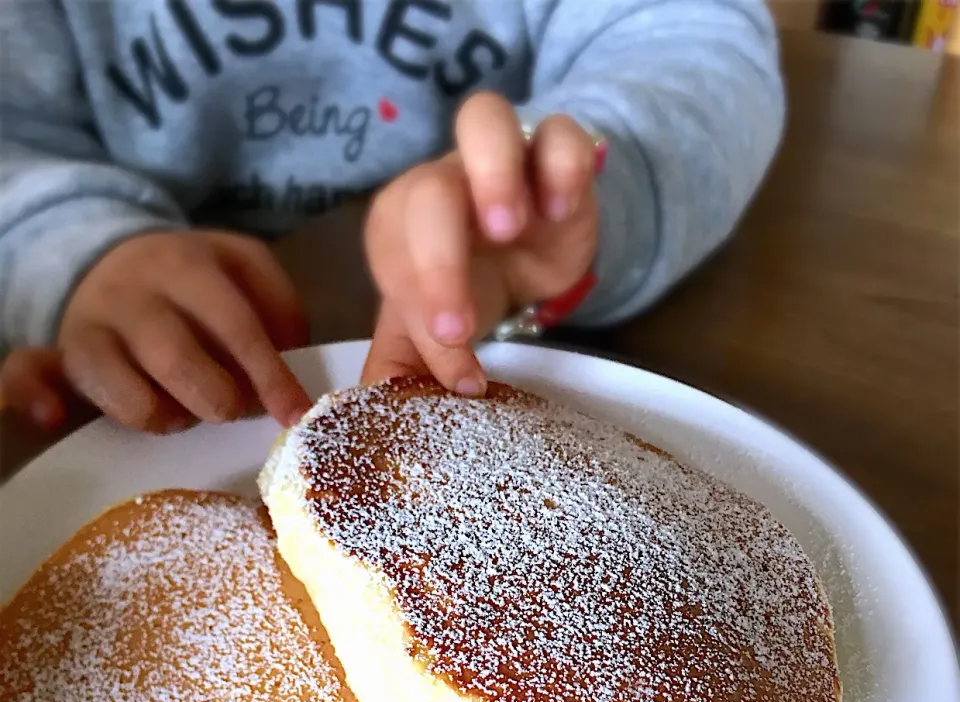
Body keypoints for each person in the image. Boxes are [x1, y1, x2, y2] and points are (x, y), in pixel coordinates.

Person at [0, 0, 784, 435]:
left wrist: (559, 185)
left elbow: (695, 43)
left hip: (512, 348)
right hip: (140, 391)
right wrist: (78, 251)